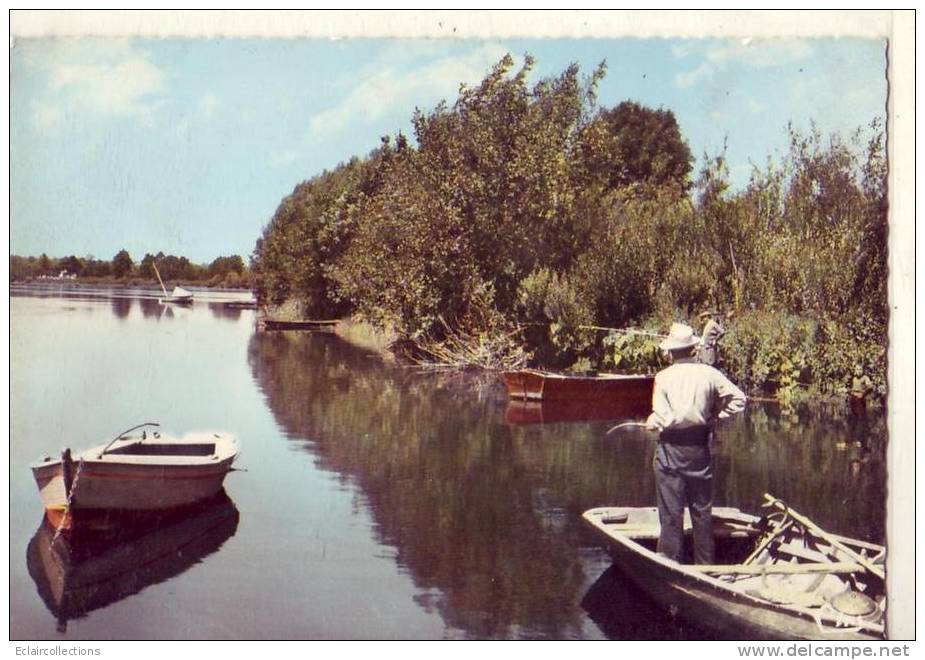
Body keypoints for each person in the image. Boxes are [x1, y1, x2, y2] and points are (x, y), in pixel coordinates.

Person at [646, 322, 746, 564]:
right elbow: (740, 399)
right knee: (702, 514)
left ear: (671, 352)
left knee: (671, 515)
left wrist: (654, 422)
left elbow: (661, 416)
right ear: (692, 349)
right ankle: (706, 568)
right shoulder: (709, 374)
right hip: (699, 450)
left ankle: (669, 567)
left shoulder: (663, 377)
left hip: (670, 450)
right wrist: (715, 417)